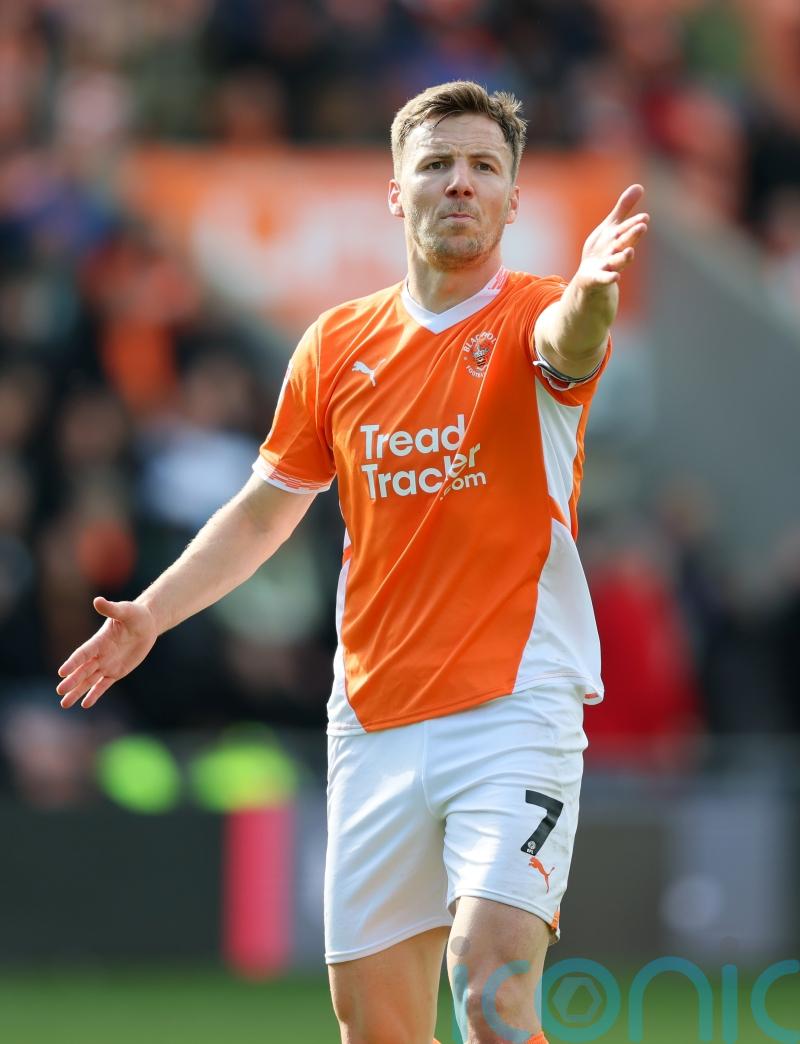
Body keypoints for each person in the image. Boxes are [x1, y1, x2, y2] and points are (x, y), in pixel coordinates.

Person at [56, 81, 649, 1044]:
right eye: (438, 164)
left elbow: (569, 344)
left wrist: (589, 293)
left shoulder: (538, 315)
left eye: (485, 167)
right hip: (372, 720)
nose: (461, 183)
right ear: (396, 192)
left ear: (512, 199)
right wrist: (153, 615)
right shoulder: (335, 346)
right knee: (376, 1028)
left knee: (489, 982)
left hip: (513, 706)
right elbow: (261, 515)